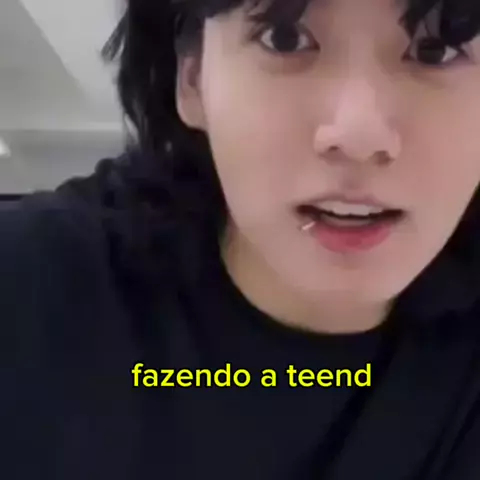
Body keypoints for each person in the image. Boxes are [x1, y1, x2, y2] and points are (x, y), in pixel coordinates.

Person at [3, 0, 480, 478]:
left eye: (437, 49)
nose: (359, 137)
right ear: (191, 76)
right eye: (284, 38)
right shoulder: (32, 287)